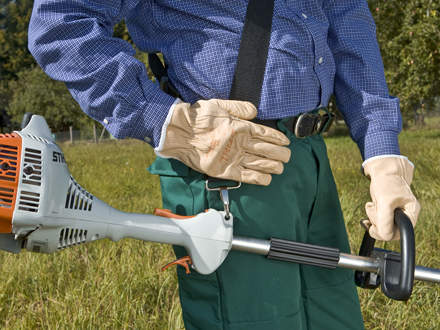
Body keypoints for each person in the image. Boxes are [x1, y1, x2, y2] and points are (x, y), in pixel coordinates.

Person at [28, 1, 420, 329]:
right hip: (224, 166)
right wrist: (162, 118)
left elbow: (347, 19)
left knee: (334, 317)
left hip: (310, 160)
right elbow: (61, 23)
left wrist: (383, 152)